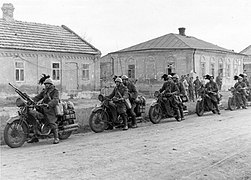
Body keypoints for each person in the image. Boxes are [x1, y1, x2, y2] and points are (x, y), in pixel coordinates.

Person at [28, 78, 60, 144]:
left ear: (51, 84)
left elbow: (55, 100)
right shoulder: (44, 91)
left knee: (51, 121)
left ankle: (56, 137)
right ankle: (35, 137)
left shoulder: (55, 91)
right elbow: (38, 97)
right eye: (45, 84)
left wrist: (49, 104)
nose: (46, 85)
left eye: (47, 84)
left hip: (51, 109)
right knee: (36, 119)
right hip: (43, 107)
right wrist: (31, 100)